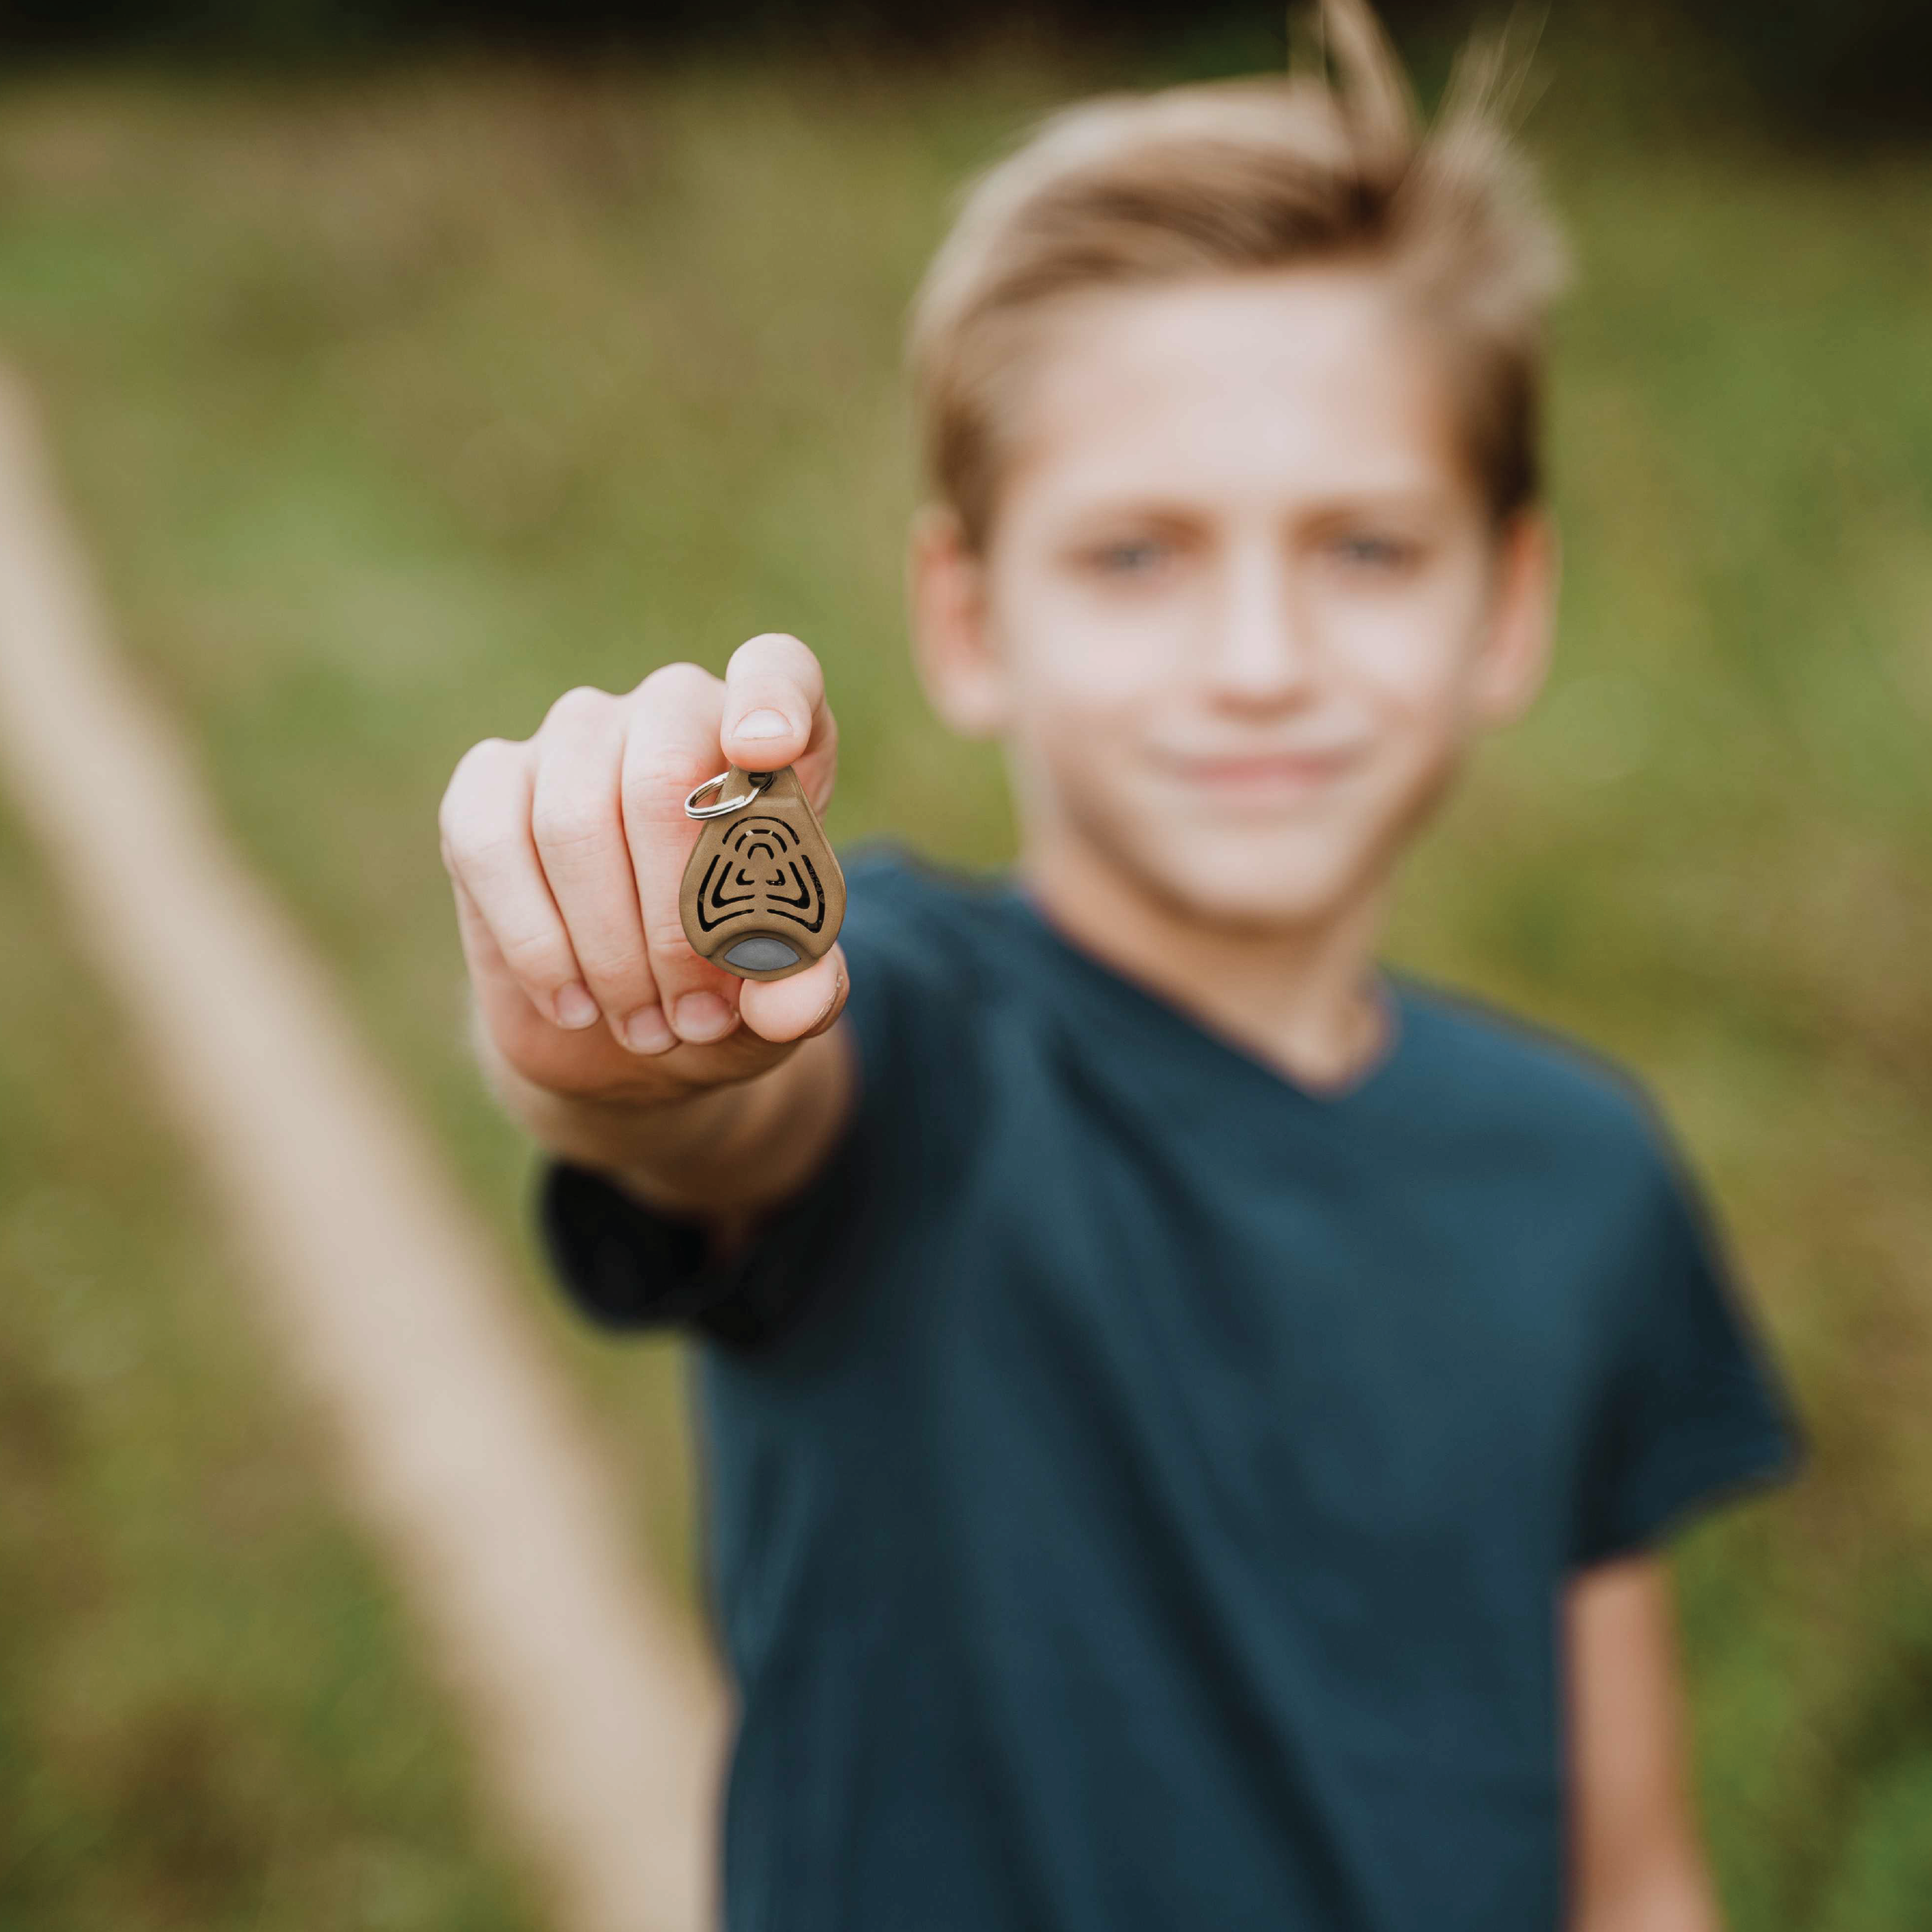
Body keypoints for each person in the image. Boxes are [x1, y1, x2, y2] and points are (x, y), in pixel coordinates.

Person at [436, 3, 1803, 1925]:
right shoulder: (906, 1044)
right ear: (967, 618)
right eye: (1137, 557)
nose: (1259, 661)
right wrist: (632, 1040)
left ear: (1510, 604)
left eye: (1366, 549)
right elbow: (729, 1118)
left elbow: (1634, 1868)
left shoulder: (1586, 1175)